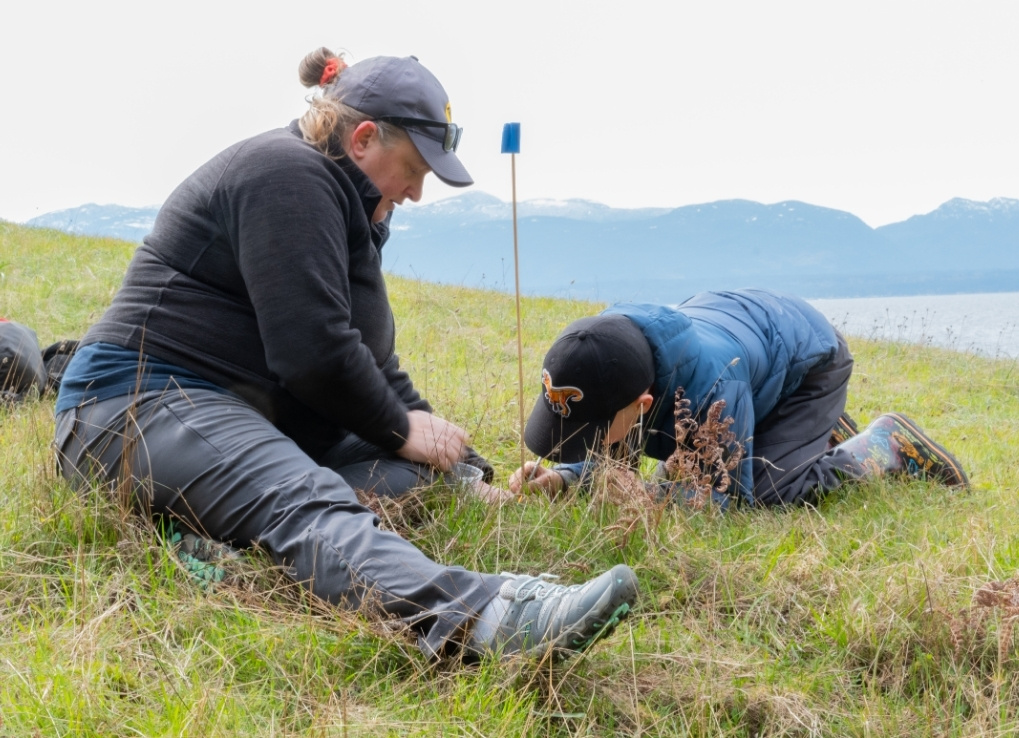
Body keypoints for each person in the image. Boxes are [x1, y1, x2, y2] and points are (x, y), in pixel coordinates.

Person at [53, 48, 637, 661]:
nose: (414, 193)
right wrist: (398, 426)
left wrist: (464, 466)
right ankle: (489, 620)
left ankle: (214, 541)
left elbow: (371, 364)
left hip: (236, 415)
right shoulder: (284, 174)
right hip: (135, 403)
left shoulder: (343, 205)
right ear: (362, 139)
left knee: (416, 472)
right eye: (412, 170)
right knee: (302, 493)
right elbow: (313, 357)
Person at [509, 288, 968, 508]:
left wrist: (652, 497)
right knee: (669, 457)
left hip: (809, 363)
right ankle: (809, 435)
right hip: (749, 347)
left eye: (585, 434)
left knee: (768, 494)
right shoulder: (608, 349)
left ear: (642, 405)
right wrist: (565, 478)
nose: (578, 441)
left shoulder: (715, 391)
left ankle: (884, 443)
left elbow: (715, 505)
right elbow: (612, 452)